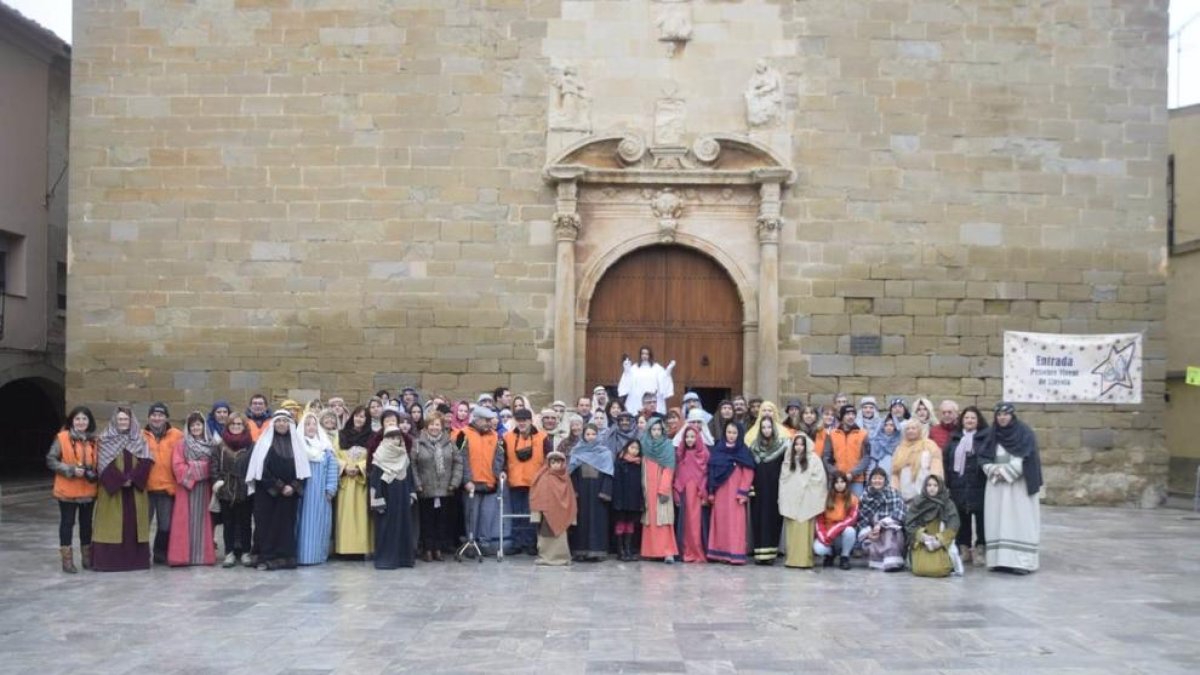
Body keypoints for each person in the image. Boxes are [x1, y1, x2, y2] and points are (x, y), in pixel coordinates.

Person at [979, 402, 1042, 574]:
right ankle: (1000, 561)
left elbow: (1026, 456)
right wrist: (993, 470)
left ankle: (1022, 562)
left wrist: (1007, 472)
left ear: (1012, 416)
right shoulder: (992, 434)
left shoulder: (1025, 433)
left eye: (1005, 414)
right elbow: (983, 456)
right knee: (997, 520)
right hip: (997, 486)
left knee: (1019, 520)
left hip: (1018, 485)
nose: (1002, 418)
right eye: (999, 415)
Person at [92, 406, 154, 572]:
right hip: (112, 492)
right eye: (120, 419)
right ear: (114, 420)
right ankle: (108, 562)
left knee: (134, 525)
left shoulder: (140, 439)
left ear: (131, 421)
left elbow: (147, 461)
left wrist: (133, 479)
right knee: (111, 524)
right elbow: (101, 464)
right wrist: (119, 480)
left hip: (135, 491)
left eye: (125, 419)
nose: (123, 422)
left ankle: (136, 561)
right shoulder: (105, 439)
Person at [247, 411, 310, 570]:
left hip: (289, 495)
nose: (282, 424)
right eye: (278, 421)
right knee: (266, 526)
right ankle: (265, 558)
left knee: (286, 527)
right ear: (273, 423)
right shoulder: (263, 443)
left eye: (285, 421)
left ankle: (284, 558)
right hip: (268, 494)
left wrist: (293, 486)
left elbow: (303, 470)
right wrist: (280, 486)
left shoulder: (297, 444)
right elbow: (260, 470)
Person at [46, 406, 99, 573]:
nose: (81, 422)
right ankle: (67, 560)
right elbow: (51, 460)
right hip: (67, 490)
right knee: (67, 524)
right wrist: (70, 469)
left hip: (88, 490)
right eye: (77, 419)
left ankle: (87, 558)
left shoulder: (95, 440)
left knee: (86, 525)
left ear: (89, 422)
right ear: (72, 421)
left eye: (84, 419)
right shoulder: (62, 438)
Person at [167, 411, 218, 567]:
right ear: (188, 428)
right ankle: (182, 557)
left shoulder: (212, 444)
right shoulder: (182, 444)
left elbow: (214, 465)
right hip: (187, 488)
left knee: (204, 521)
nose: (196, 428)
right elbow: (177, 466)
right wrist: (200, 468)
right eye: (192, 425)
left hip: (205, 488)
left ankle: (203, 556)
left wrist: (196, 466)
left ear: (203, 426)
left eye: (198, 424)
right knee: (184, 521)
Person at [412, 412, 463, 562]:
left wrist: (454, 482)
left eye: (437, 425)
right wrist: (417, 484)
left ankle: (438, 549)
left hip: (445, 489)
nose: (434, 427)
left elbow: (458, 463)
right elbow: (413, 465)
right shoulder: (418, 443)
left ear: (442, 427)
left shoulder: (450, 443)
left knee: (442, 521)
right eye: (432, 424)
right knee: (426, 520)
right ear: (427, 426)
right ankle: (427, 549)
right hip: (425, 489)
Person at [944, 406, 989, 566]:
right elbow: (947, 461)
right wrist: (948, 483)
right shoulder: (954, 438)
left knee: (982, 519)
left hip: (980, 485)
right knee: (962, 518)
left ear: (978, 421)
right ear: (962, 421)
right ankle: (964, 547)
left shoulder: (986, 438)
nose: (969, 421)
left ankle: (980, 548)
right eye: (967, 418)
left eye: (973, 418)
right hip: (959, 485)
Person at [706, 420, 756, 565]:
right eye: (729, 432)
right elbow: (712, 471)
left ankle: (735, 554)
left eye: (735, 433)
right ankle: (719, 553)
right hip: (720, 492)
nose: (731, 435)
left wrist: (743, 492)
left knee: (736, 524)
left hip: (735, 495)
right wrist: (711, 491)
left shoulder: (743, 451)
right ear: (724, 433)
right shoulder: (718, 449)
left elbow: (748, 472)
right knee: (720, 522)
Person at [501, 408, 549, 555]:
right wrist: (503, 471)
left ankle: (530, 543)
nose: (521, 423)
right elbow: (502, 459)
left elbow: (548, 458)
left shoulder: (543, 437)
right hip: (515, 481)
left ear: (530, 421)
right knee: (516, 515)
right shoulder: (507, 437)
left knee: (531, 515)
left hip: (535, 482)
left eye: (525, 420)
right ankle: (516, 543)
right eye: (519, 420)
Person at [460, 406, 507, 555]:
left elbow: (500, 457)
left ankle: (484, 544)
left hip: (489, 483)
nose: (489, 423)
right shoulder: (463, 434)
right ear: (477, 419)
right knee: (471, 516)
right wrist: (466, 480)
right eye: (486, 420)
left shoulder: (496, 436)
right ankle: (471, 544)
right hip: (471, 484)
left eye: (490, 420)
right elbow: (461, 459)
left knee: (487, 517)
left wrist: (497, 473)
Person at [369, 427, 417, 569]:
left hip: (401, 496)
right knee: (386, 527)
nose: (394, 440)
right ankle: (386, 559)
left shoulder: (404, 456)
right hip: (386, 496)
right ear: (385, 438)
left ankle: (403, 559)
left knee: (403, 526)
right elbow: (375, 480)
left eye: (397, 438)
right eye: (391, 437)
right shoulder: (379, 456)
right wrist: (376, 500)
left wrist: (411, 493)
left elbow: (409, 478)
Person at [777, 433, 826, 569]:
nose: (799, 447)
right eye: (796, 444)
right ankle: (792, 560)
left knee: (804, 531)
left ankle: (805, 560)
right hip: (791, 500)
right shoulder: (788, 460)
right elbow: (784, 480)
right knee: (792, 530)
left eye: (801, 444)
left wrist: (803, 486)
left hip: (807, 500)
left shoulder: (814, 459)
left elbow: (819, 480)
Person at [296, 412, 339, 566]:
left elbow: (332, 469)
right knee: (302, 525)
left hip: (320, 494)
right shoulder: (298, 446)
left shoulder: (325, 448)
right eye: (307, 424)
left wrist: (330, 488)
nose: (311, 427)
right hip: (303, 493)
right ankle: (301, 555)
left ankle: (317, 555)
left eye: (314, 424)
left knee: (319, 524)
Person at [143, 402, 183, 564]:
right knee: (142, 525)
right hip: (145, 489)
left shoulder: (177, 435)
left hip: (167, 489)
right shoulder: (140, 435)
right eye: (154, 415)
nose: (157, 418)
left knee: (165, 525)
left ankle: (160, 554)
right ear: (149, 417)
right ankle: (142, 554)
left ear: (166, 417)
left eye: (160, 415)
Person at [568, 424, 614, 562]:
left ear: (598, 435)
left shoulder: (605, 453)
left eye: (593, 434)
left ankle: (597, 551)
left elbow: (608, 475)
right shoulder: (576, 452)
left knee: (597, 521)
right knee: (581, 521)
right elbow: (572, 474)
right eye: (587, 434)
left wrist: (605, 492)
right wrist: (574, 491)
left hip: (597, 493)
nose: (590, 437)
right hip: (582, 493)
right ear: (583, 435)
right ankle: (580, 551)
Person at [213, 412, 254, 567]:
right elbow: (214, 466)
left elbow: (254, 465)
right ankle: (229, 553)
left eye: (239, 424)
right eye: (233, 424)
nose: (236, 427)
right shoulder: (220, 446)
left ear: (244, 426)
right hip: (227, 488)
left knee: (245, 522)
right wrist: (218, 483)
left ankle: (245, 552)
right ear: (228, 426)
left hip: (245, 488)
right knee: (228, 523)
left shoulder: (251, 445)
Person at [638, 417, 679, 564]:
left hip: (662, 489)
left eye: (659, 430)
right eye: (653, 429)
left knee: (664, 519)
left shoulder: (667, 446)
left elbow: (669, 469)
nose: (656, 432)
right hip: (647, 489)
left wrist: (664, 489)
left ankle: (667, 552)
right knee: (650, 520)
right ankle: (651, 551)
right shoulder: (644, 445)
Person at [748, 416, 788, 564]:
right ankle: (760, 555)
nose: (766, 430)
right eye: (763, 427)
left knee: (773, 520)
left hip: (775, 490)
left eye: (769, 427)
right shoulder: (753, 447)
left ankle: (771, 555)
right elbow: (750, 469)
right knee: (758, 520)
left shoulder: (782, 446)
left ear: (773, 428)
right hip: (758, 491)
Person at [905, 475, 961, 577]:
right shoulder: (918, 502)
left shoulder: (947, 503)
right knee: (920, 569)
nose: (932, 488)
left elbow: (953, 524)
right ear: (925, 487)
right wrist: (922, 536)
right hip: (922, 542)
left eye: (935, 485)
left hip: (941, 541)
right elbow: (910, 523)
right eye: (929, 485)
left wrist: (939, 540)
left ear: (940, 487)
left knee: (939, 569)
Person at [335, 406, 373, 557]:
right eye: (357, 416)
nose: (359, 419)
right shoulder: (341, 435)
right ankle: (344, 549)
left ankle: (360, 548)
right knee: (345, 516)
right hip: (345, 480)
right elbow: (334, 454)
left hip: (361, 481)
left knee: (361, 516)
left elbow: (374, 456)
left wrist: (359, 467)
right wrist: (344, 467)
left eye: (363, 417)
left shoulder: (372, 436)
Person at [529, 450, 576, 566]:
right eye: (553, 462)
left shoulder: (565, 478)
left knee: (560, 537)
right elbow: (537, 495)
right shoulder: (542, 477)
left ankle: (561, 557)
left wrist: (571, 515)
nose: (556, 465)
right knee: (546, 536)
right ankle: (546, 557)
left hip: (561, 513)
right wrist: (537, 514)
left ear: (563, 463)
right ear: (548, 463)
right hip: (547, 513)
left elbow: (570, 497)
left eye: (558, 462)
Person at [857, 468, 907, 572]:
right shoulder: (865, 496)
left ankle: (892, 562)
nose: (877, 481)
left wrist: (882, 524)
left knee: (889, 534)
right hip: (873, 531)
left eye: (880, 478)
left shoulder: (893, 493)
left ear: (885, 480)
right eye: (874, 478)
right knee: (871, 539)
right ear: (870, 480)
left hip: (891, 528)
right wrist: (868, 533)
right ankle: (878, 561)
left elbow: (900, 513)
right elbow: (861, 518)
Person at [673, 425, 710, 563]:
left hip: (698, 494)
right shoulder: (680, 454)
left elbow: (706, 475)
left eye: (692, 436)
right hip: (684, 494)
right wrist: (676, 492)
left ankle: (698, 551)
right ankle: (686, 551)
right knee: (686, 523)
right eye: (687, 437)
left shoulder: (704, 454)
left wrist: (705, 493)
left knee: (697, 524)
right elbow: (677, 475)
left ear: (698, 438)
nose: (689, 439)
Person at [891, 419, 945, 501]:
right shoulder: (899, 449)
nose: (910, 431)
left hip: (926, 494)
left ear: (919, 430)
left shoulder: (929, 445)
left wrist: (934, 487)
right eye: (908, 429)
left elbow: (936, 468)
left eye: (913, 428)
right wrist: (895, 491)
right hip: (906, 495)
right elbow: (895, 473)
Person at [814, 472, 858, 570]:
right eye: (836, 482)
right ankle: (830, 555)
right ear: (833, 484)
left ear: (846, 483)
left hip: (841, 535)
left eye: (842, 482)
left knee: (850, 531)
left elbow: (852, 518)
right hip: (827, 534)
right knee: (818, 549)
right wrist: (824, 537)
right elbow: (819, 521)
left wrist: (834, 530)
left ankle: (844, 557)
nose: (839, 485)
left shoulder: (853, 499)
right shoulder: (825, 498)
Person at [823, 405, 870, 497]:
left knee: (855, 508)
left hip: (856, 480)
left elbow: (866, 457)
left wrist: (852, 473)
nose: (851, 416)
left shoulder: (863, 434)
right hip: (837, 480)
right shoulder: (832, 434)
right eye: (847, 414)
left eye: (853, 414)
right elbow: (826, 457)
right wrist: (836, 473)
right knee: (835, 507)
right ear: (842, 416)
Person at [611, 439, 645, 562]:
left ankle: (628, 549)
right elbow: (616, 482)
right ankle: (620, 551)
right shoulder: (620, 462)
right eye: (632, 447)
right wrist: (617, 500)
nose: (634, 450)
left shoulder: (640, 464)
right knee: (620, 524)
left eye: (637, 448)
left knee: (630, 525)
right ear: (626, 448)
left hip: (634, 500)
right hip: (621, 499)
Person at [618, 345, 676, 415]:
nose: (644, 356)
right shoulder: (635, 368)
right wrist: (627, 369)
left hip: (652, 397)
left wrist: (668, 370)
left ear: (650, 355)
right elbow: (627, 379)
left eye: (646, 354)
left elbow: (663, 379)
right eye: (643, 354)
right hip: (637, 397)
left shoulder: (656, 368)